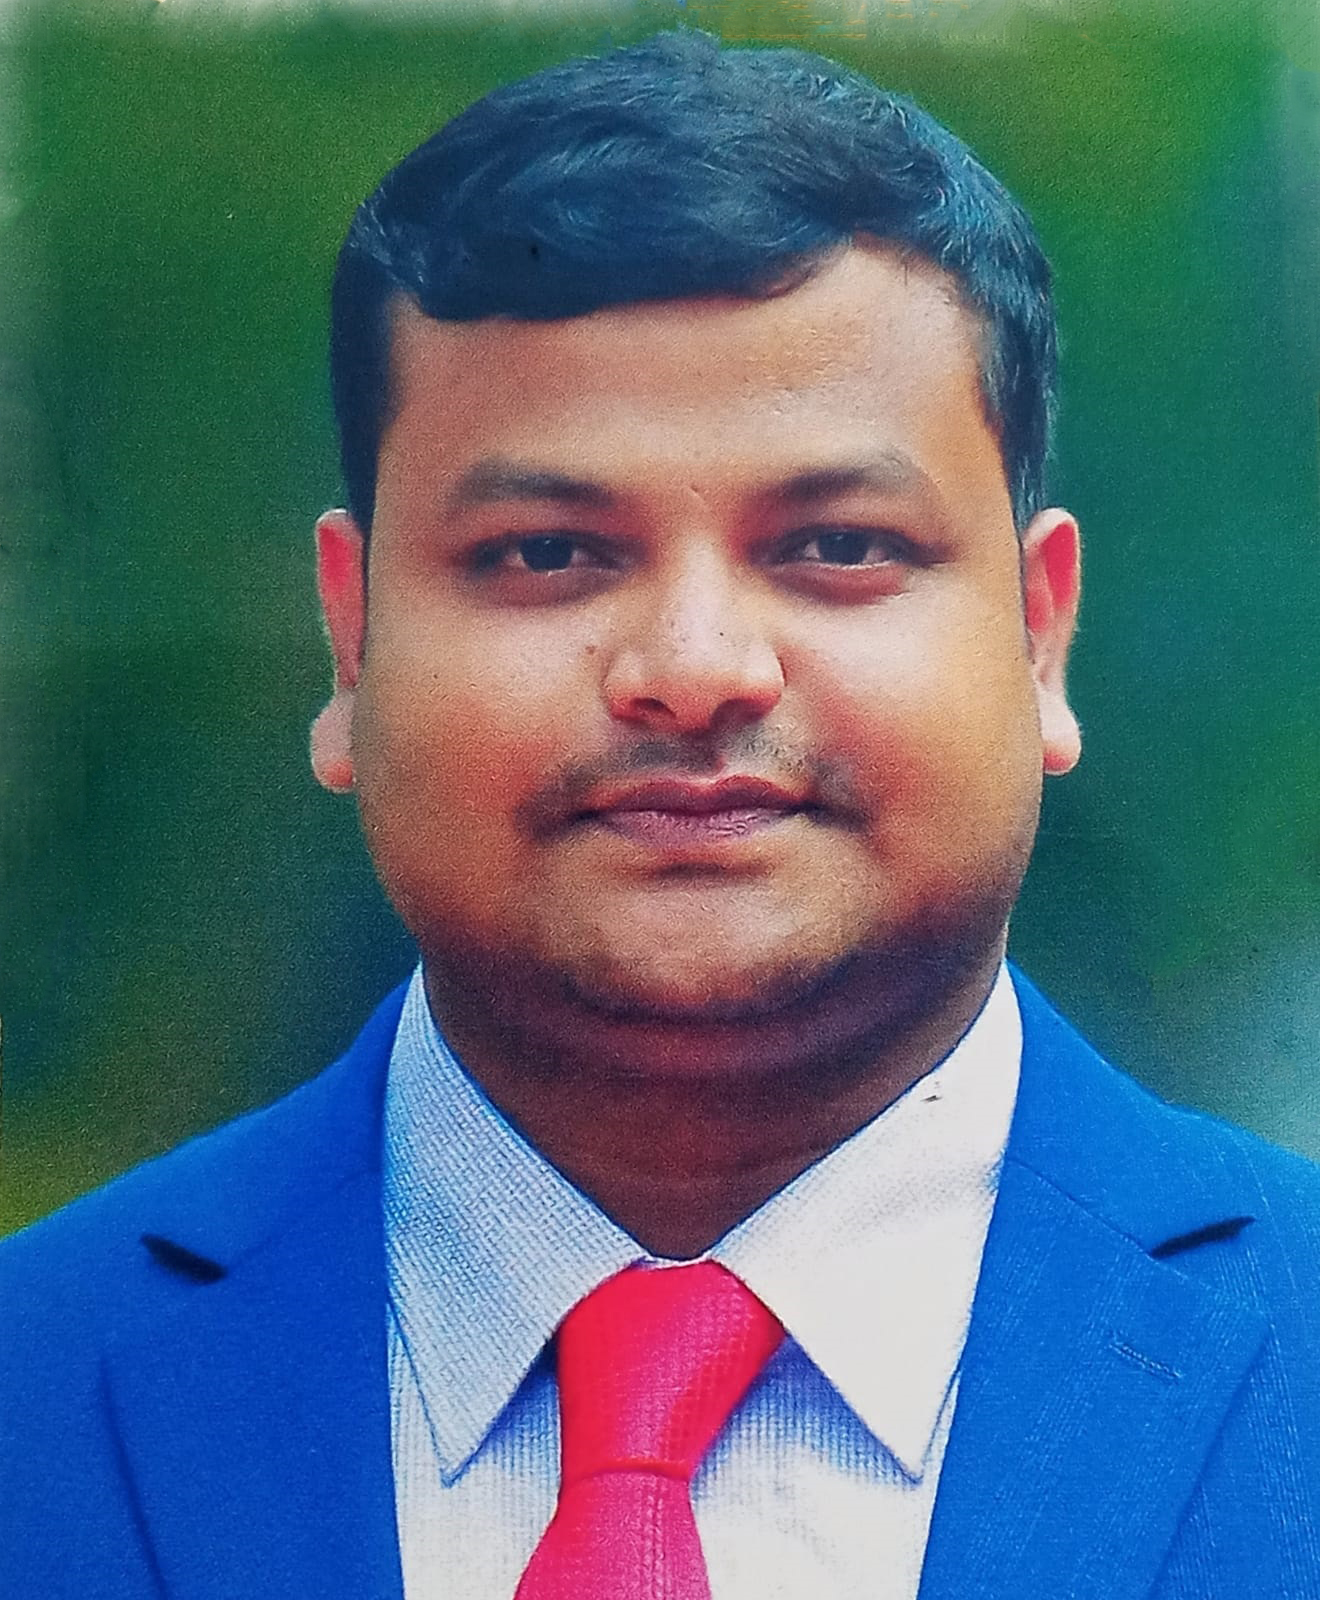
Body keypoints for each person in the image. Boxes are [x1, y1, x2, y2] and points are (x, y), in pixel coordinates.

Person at [3, 30, 1318, 1600]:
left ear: (1040, 636)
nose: (695, 671)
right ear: (351, 641)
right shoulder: (35, 1388)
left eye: (837, 545)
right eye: (547, 554)